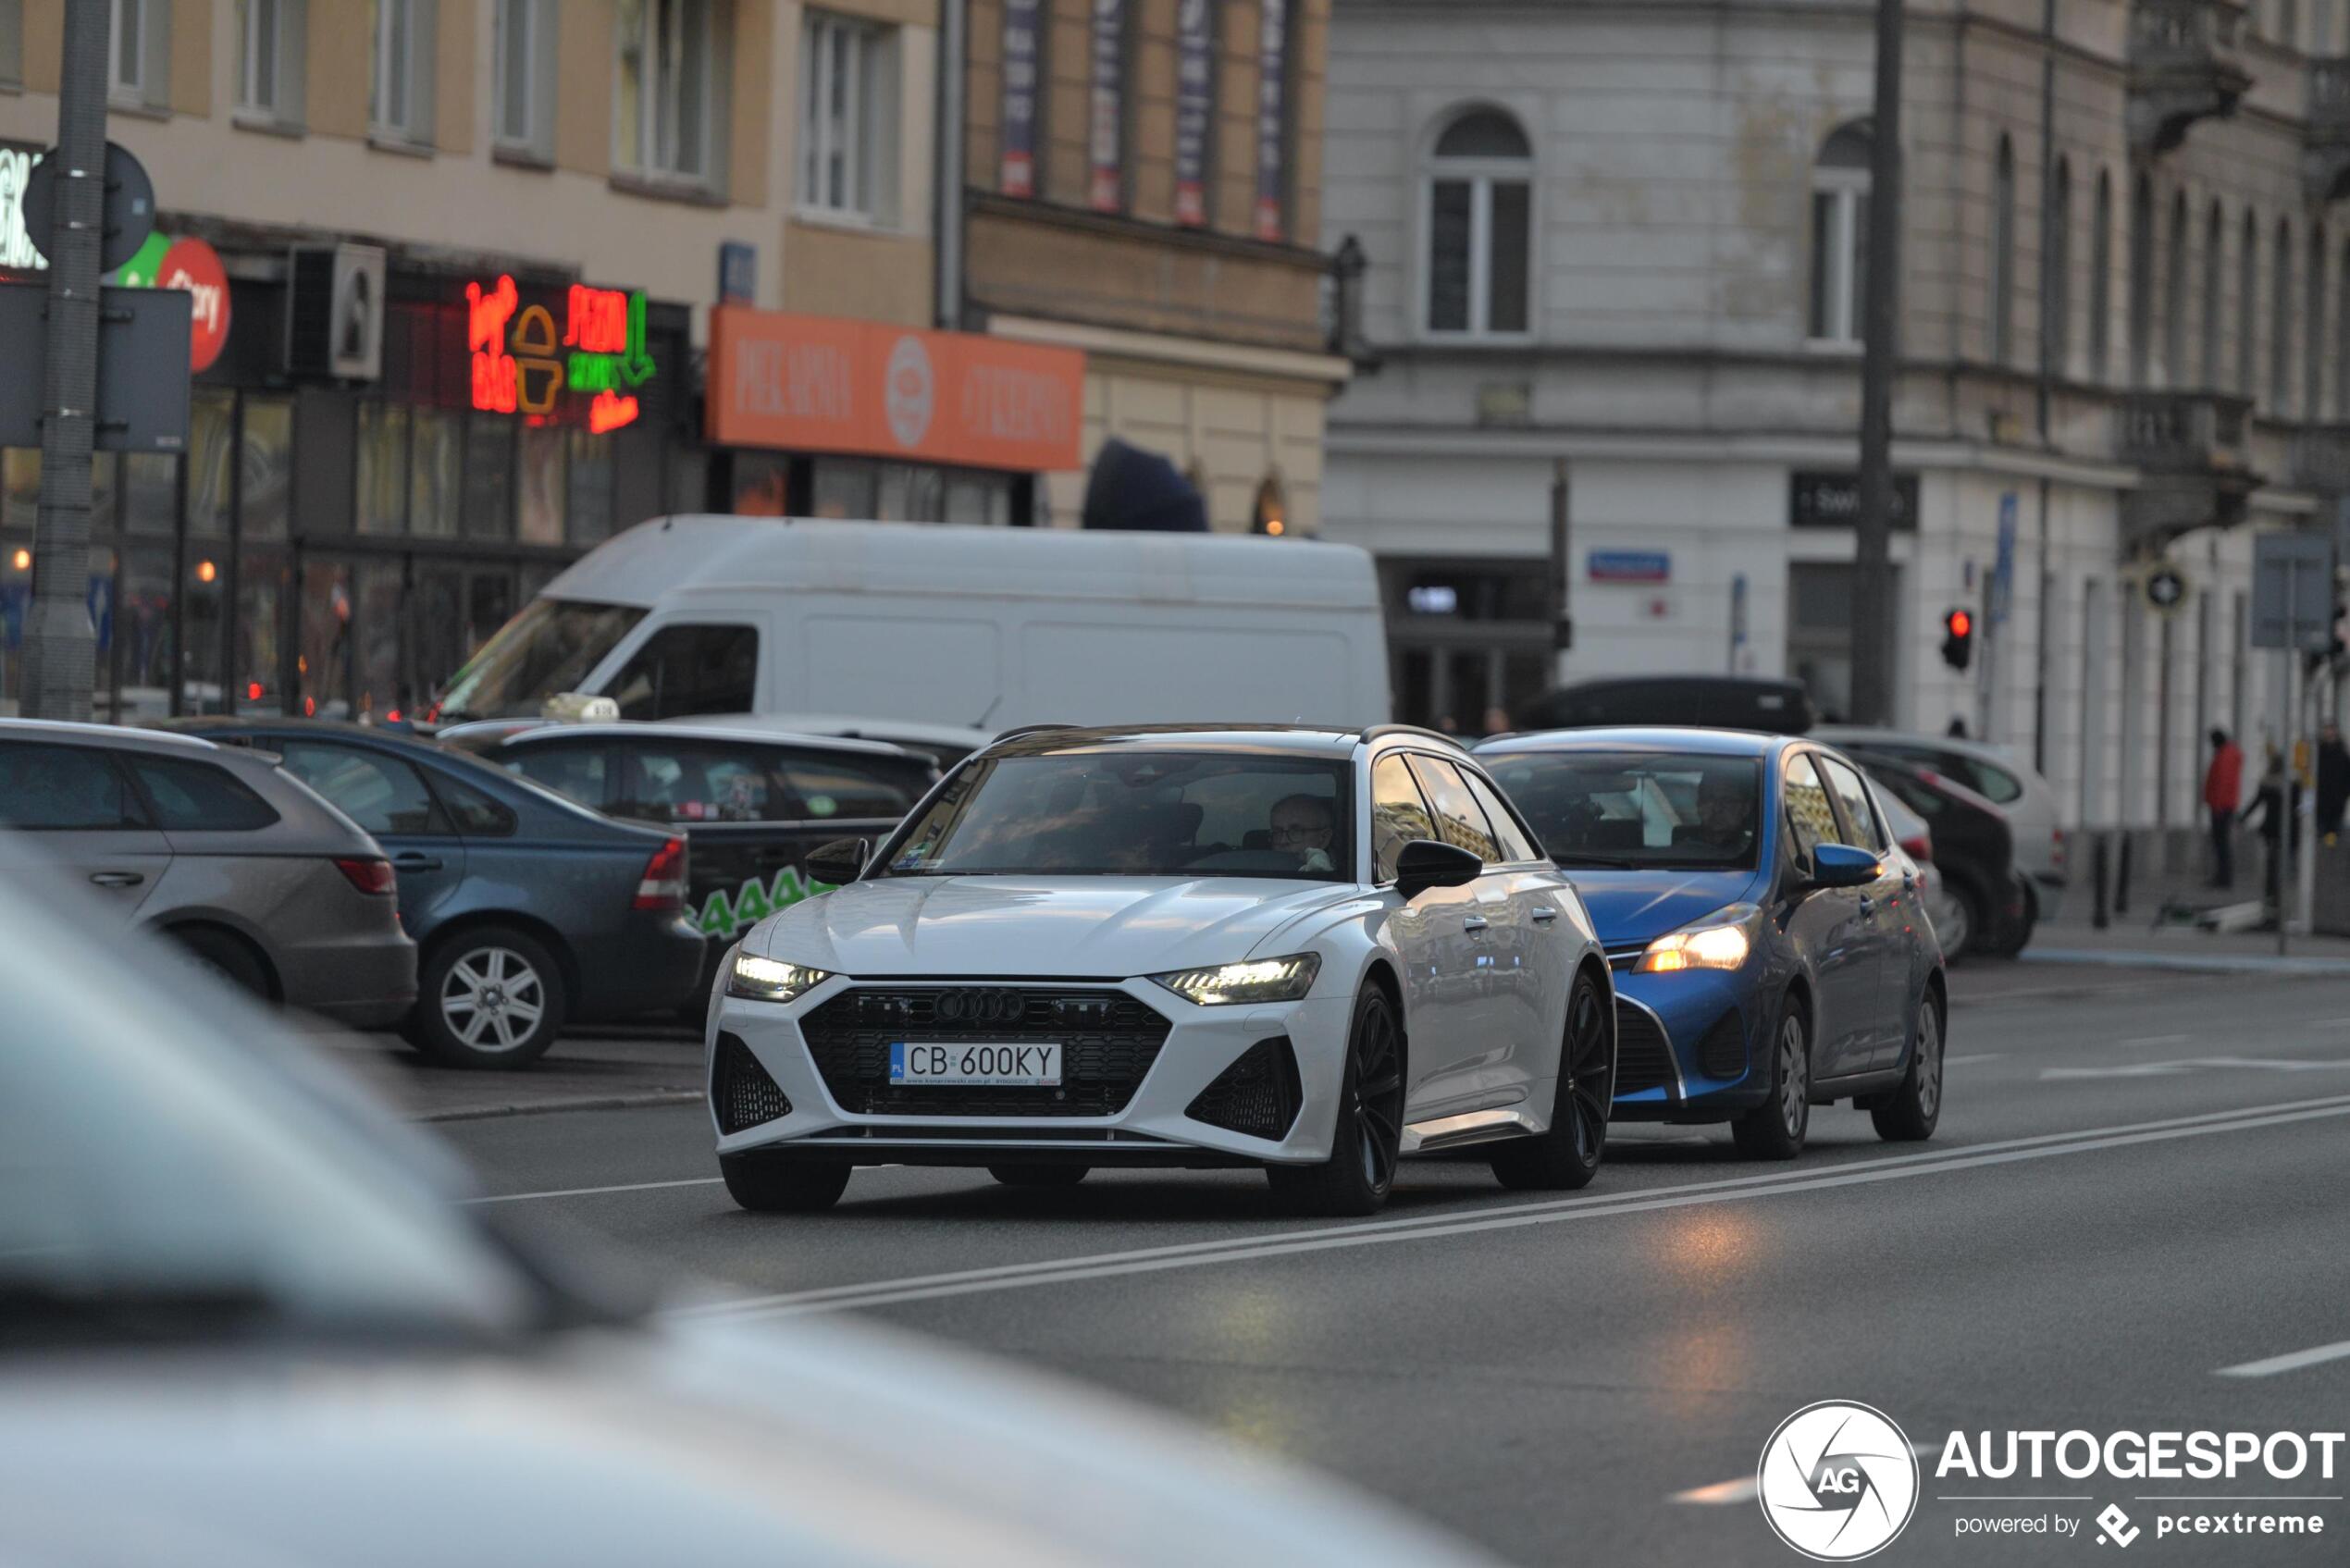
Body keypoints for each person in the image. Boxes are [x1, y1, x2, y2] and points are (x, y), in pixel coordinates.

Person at [1678, 771, 1756, 858]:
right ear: (1699, 804)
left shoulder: (1756, 853)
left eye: (1727, 801)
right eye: (1710, 799)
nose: (1717, 808)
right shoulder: (1680, 854)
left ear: (1745, 808)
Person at [2204, 726, 2244, 889]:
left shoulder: (2224, 756)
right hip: (2224, 804)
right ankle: (2222, 876)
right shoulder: (2228, 754)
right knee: (2221, 842)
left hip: (2221, 806)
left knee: (2221, 842)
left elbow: (2222, 782)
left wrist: (2217, 804)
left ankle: (2223, 877)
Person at [1268, 793, 1337, 873]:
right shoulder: (1257, 871)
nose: (1283, 841)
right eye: (1277, 832)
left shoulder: (1338, 881)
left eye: (1296, 831)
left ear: (1324, 838)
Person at [2318, 722, 2350, 844]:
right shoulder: (2319, 753)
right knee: (2321, 835)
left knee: (2336, 836)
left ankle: (2333, 858)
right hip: (2321, 802)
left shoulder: (2342, 755)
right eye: (2327, 730)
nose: (2329, 733)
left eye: (2331, 730)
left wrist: (2344, 794)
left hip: (2337, 802)